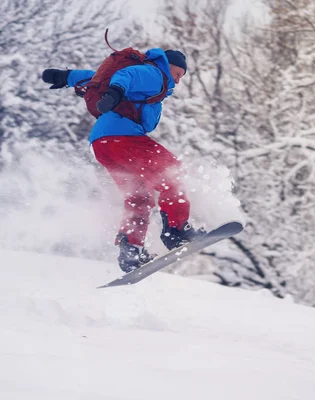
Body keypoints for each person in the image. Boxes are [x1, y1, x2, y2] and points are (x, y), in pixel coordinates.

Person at [41, 48, 203, 272]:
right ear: (169, 64)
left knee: (140, 197)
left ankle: (131, 250)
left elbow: (95, 78)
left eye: (182, 76)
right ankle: (177, 230)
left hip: (103, 144)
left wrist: (66, 77)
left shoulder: (151, 77)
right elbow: (127, 77)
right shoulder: (157, 75)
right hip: (124, 138)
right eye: (179, 72)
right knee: (171, 171)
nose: (179, 79)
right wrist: (115, 92)